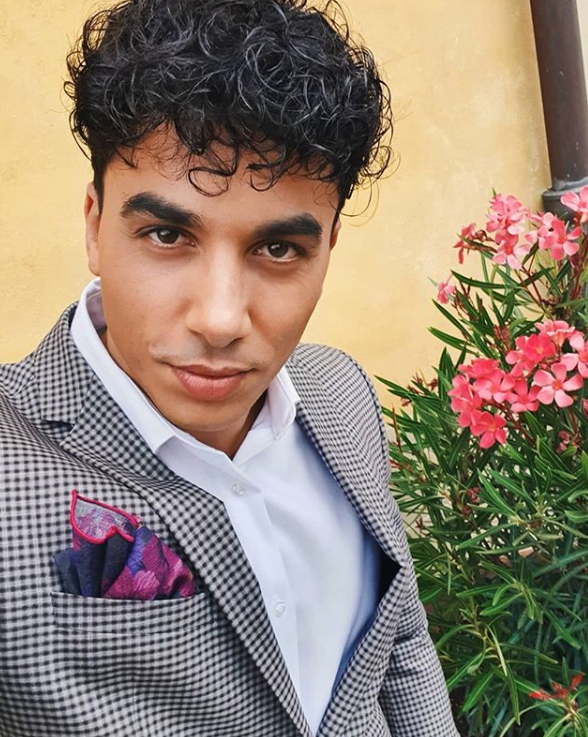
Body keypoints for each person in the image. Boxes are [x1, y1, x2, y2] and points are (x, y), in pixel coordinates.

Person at [0, 0, 458, 735]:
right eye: (166, 234)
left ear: (328, 247)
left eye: (278, 249)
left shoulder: (340, 392)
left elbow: (396, 636)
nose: (219, 319)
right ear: (93, 225)